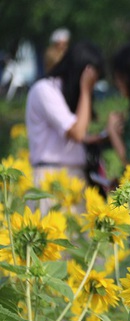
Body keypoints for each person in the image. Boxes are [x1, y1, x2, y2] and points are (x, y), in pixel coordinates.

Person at [26, 40, 106, 212]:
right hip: (51, 178)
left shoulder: (65, 92)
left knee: (78, 238)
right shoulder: (45, 89)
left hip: (76, 180)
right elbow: (77, 133)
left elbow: (78, 136)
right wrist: (85, 90)